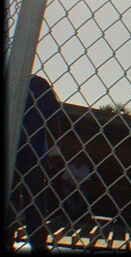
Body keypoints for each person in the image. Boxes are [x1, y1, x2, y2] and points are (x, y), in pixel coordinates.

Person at [6, 75, 62, 252]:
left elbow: (53, 118)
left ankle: (38, 245)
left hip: (34, 153)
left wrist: (54, 149)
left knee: (35, 202)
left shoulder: (39, 85)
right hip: (12, 152)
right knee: (11, 201)